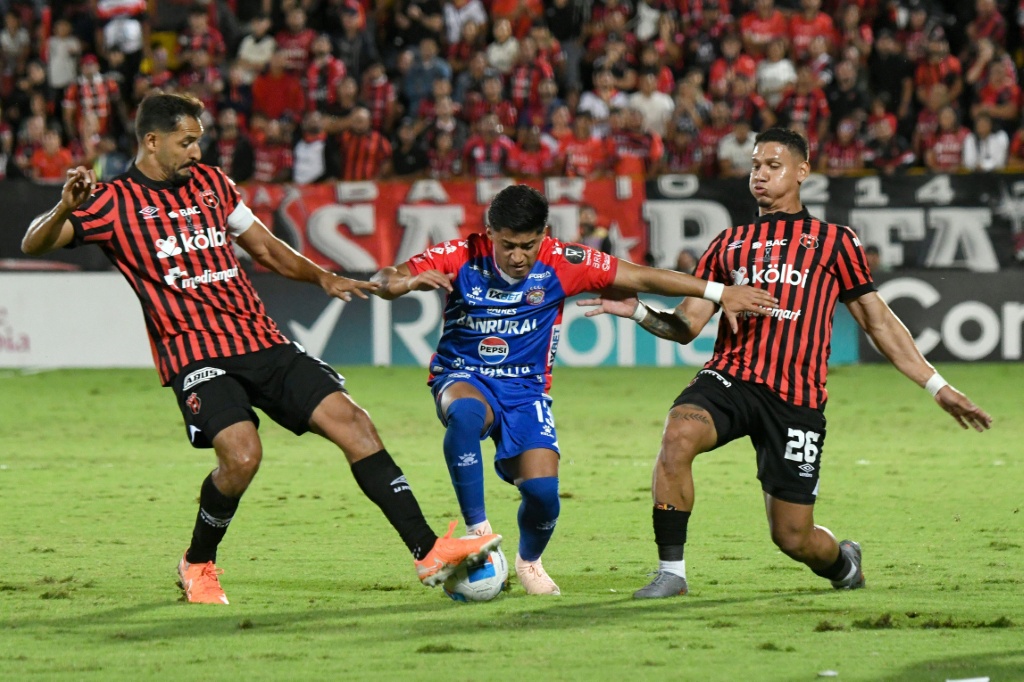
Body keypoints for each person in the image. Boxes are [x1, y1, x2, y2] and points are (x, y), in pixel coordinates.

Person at [20, 92, 501, 605]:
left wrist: (323, 276)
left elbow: (267, 248)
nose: (196, 152)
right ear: (152, 141)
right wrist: (63, 208)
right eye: (187, 142)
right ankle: (198, 563)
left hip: (260, 338)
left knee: (354, 423)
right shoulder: (110, 203)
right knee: (242, 456)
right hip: (195, 353)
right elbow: (33, 242)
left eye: (199, 141)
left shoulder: (211, 185)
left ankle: (429, 552)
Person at [578, 127, 992, 599]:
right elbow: (686, 327)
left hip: (796, 399)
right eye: (755, 165)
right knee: (679, 432)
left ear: (802, 172)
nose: (760, 175)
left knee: (792, 536)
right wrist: (637, 310)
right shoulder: (728, 243)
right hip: (731, 378)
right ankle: (672, 573)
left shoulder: (834, 241)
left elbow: (879, 322)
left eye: (773, 166)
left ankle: (843, 564)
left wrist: (938, 386)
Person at [370, 184, 778, 596]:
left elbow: (643, 275)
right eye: (508, 245)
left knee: (545, 494)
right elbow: (386, 277)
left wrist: (718, 291)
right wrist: (400, 285)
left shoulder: (565, 261)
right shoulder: (459, 255)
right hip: (462, 374)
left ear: (544, 234)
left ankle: (529, 562)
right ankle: (480, 534)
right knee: (465, 415)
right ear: (489, 233)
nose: (517, 257)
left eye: (528, 245)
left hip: (526, 391)